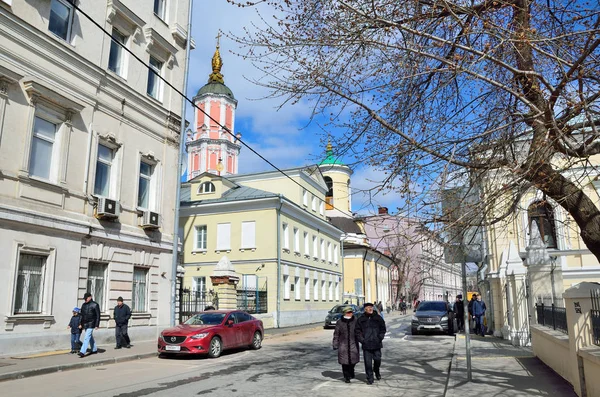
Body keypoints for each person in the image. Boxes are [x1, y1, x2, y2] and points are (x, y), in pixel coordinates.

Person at [355, 302, 387, 385]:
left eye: (371, 307)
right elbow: (357, 331)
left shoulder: (378, 318)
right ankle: (370, 378)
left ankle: (376, 370)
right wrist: (362, 340)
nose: (370, 309)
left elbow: (383, 329)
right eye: (368, 308)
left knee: (377, 359)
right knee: (368, 363)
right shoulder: (361, 319)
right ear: (365, 309)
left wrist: (380, 337)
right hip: (366, 344)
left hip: (377, 344)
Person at [332, 307, 360, 383]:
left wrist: (362, 340)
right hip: (343, 344)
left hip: (353, 343)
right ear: (344, 313)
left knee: (353, 361)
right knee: (344, 362)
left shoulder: (355, 321)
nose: (350, 313)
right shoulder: (340, 322)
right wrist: (335, 344)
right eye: (348, 312)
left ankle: (351, 370)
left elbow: (359, 332)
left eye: (351, 312)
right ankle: (346, 376)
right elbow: (336, 334)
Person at [78, 292, 100, 358]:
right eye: (84, 299)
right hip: (85, 323)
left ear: (90, 297)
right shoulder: (83, 305)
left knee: (87, 337)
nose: (85, 300)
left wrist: (97, 325)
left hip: (91, 323)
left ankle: (82, 351)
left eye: (86, 298)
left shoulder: (95, 305)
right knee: (90, 337)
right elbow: (81, 315)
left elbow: (98, 315)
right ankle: (94, 349)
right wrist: (80, 323)